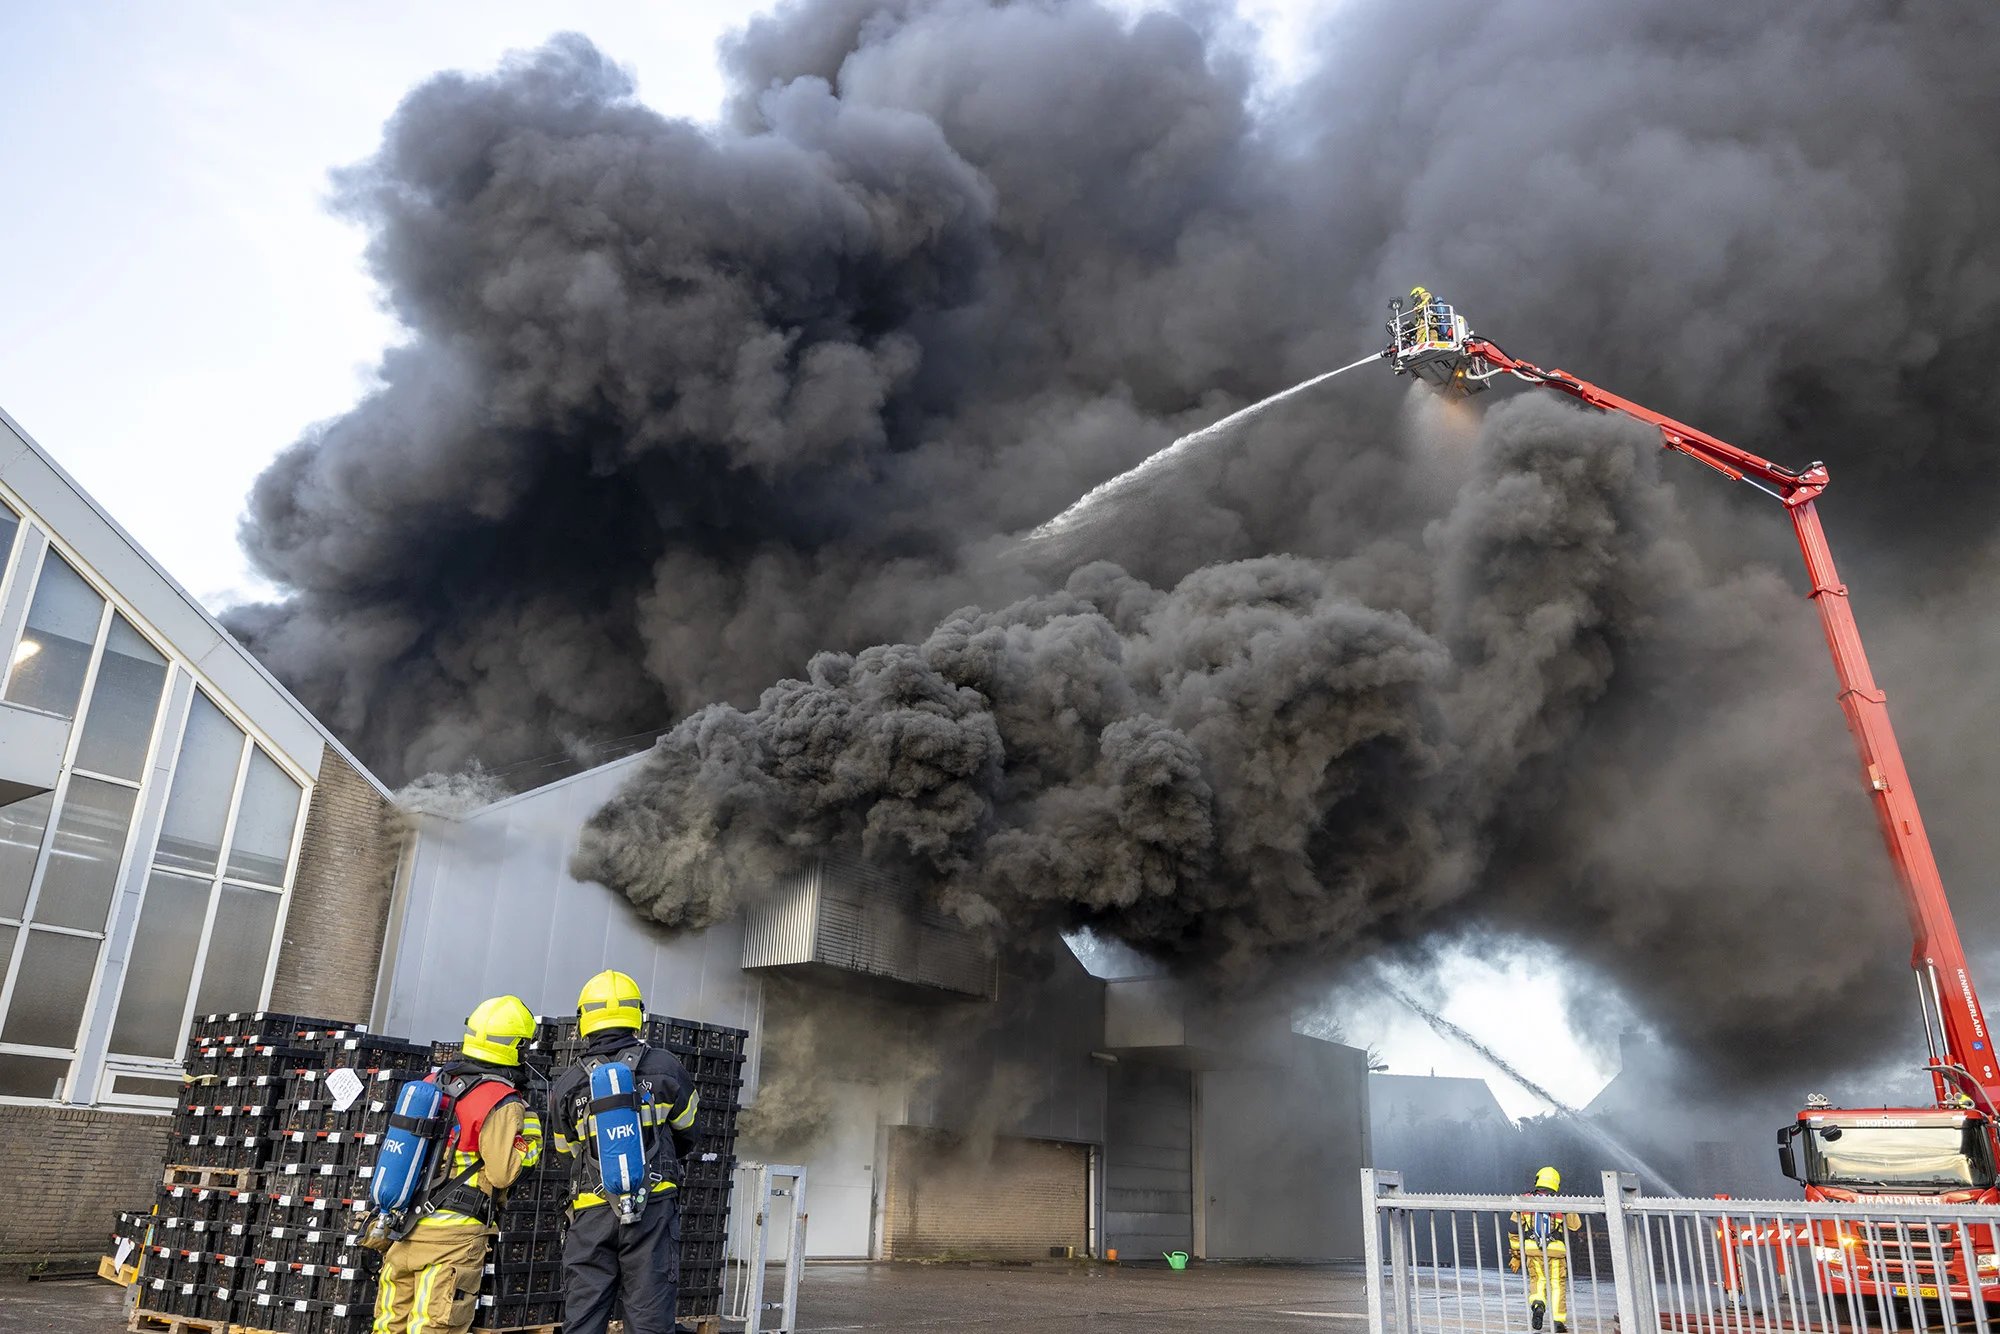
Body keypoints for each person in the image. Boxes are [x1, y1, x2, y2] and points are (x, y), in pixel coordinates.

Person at [372, 995, 543, 1334]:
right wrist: (532, 1135)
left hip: (403, 1230)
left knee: (389, 1325)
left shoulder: (430, 1084)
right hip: (452, 1240)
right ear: (517, 1046)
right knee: (435, 1327)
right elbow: (503, 1172)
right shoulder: (499, 1099)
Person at [551, 970, 700, 1334]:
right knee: (649, 1319)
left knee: (583, 1319)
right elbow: (689, 1131)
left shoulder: (568, 1084)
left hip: (590, 1213)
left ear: (584, 1018)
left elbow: (566, 1153)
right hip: (653, 1209)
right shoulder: (666, 1067)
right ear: (638, 1015)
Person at [1509, 1167, 1583, 1332]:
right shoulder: (1562, 1201)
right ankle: (1558, 1321)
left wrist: (1516, 1255)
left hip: (1532, 1251)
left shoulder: (1524, 1200)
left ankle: (1538, 1306)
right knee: (1557, 1284)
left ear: (1538, 1180)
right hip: (1556, 1252)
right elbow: (1575, 1226)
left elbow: (1513, 1229)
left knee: (1538, 1280)